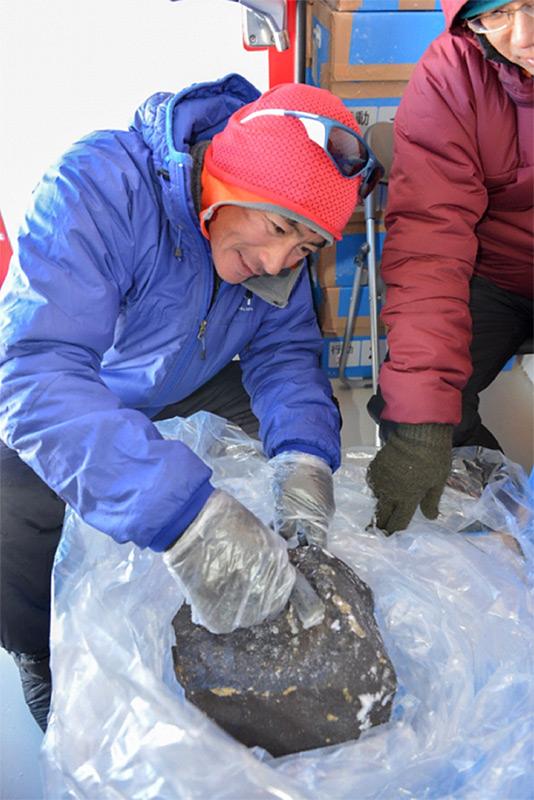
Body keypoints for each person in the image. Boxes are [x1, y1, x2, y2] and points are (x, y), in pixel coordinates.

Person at [0, 74, 382, 731]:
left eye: (305, 247)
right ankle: (36, 651)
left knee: (274, 443)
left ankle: (283, 570)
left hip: (187, 379)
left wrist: (303, 461)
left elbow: (285, 357)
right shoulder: (100, 185)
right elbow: (36, 371)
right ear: (228, 180)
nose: (278, 260)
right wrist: (187, 519)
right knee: (11, 496)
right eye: (278, 227)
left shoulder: (276, 260)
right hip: (87, 382)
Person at [367, 0, 533, 535]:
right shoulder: (451, 71)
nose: (523, 36)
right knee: (416, 411)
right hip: (494, 271)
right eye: (497, 13)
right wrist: (423, 422)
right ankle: (512, 516)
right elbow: (429, 240)